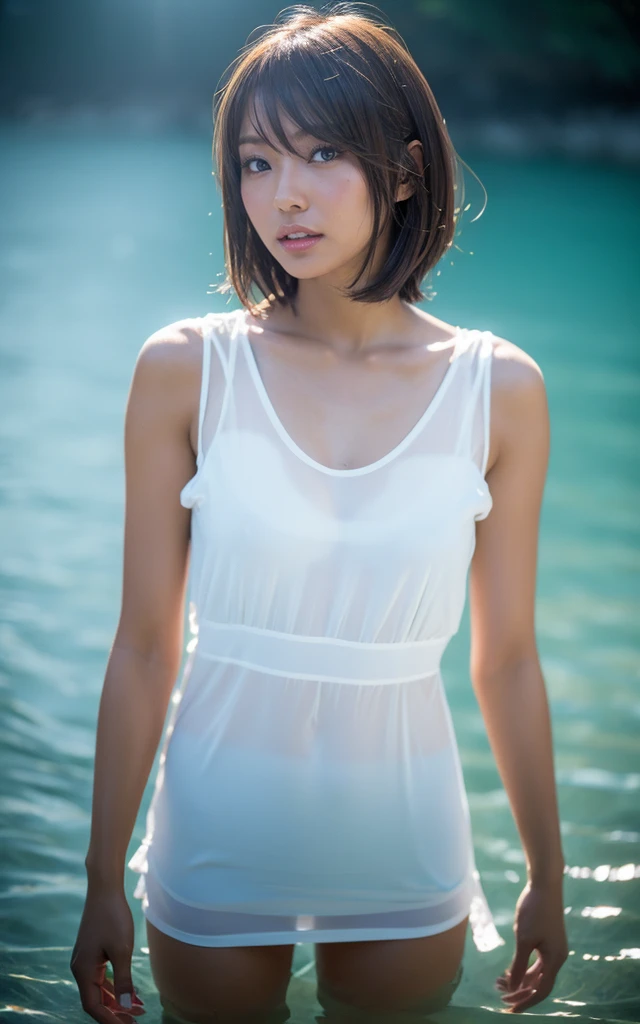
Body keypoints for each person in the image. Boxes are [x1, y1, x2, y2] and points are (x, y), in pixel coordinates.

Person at [70, 4, 569, 1022]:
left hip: (403, 827)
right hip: (215, 820)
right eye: (255, 162)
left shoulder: (497, 389)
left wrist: (547, 875)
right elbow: (144, 646)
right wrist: (99, 879)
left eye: (322, 152)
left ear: (401, 170)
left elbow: (507, 657)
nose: (283, 195)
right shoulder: (184, 369)